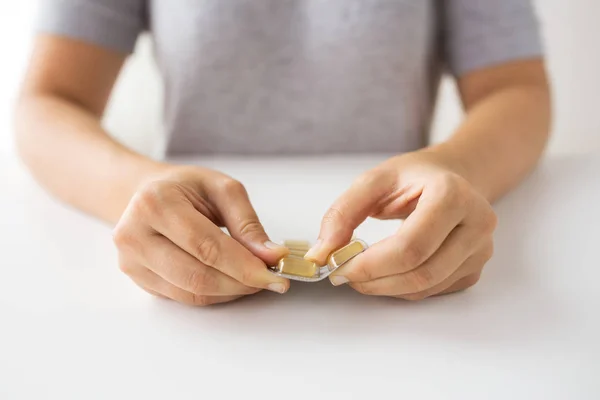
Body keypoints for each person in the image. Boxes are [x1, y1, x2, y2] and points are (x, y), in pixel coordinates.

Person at [14, 0, 551, 305]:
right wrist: (137, 192)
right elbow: (48, 102)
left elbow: (517, 90)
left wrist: (455, 169)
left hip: (405, 297)